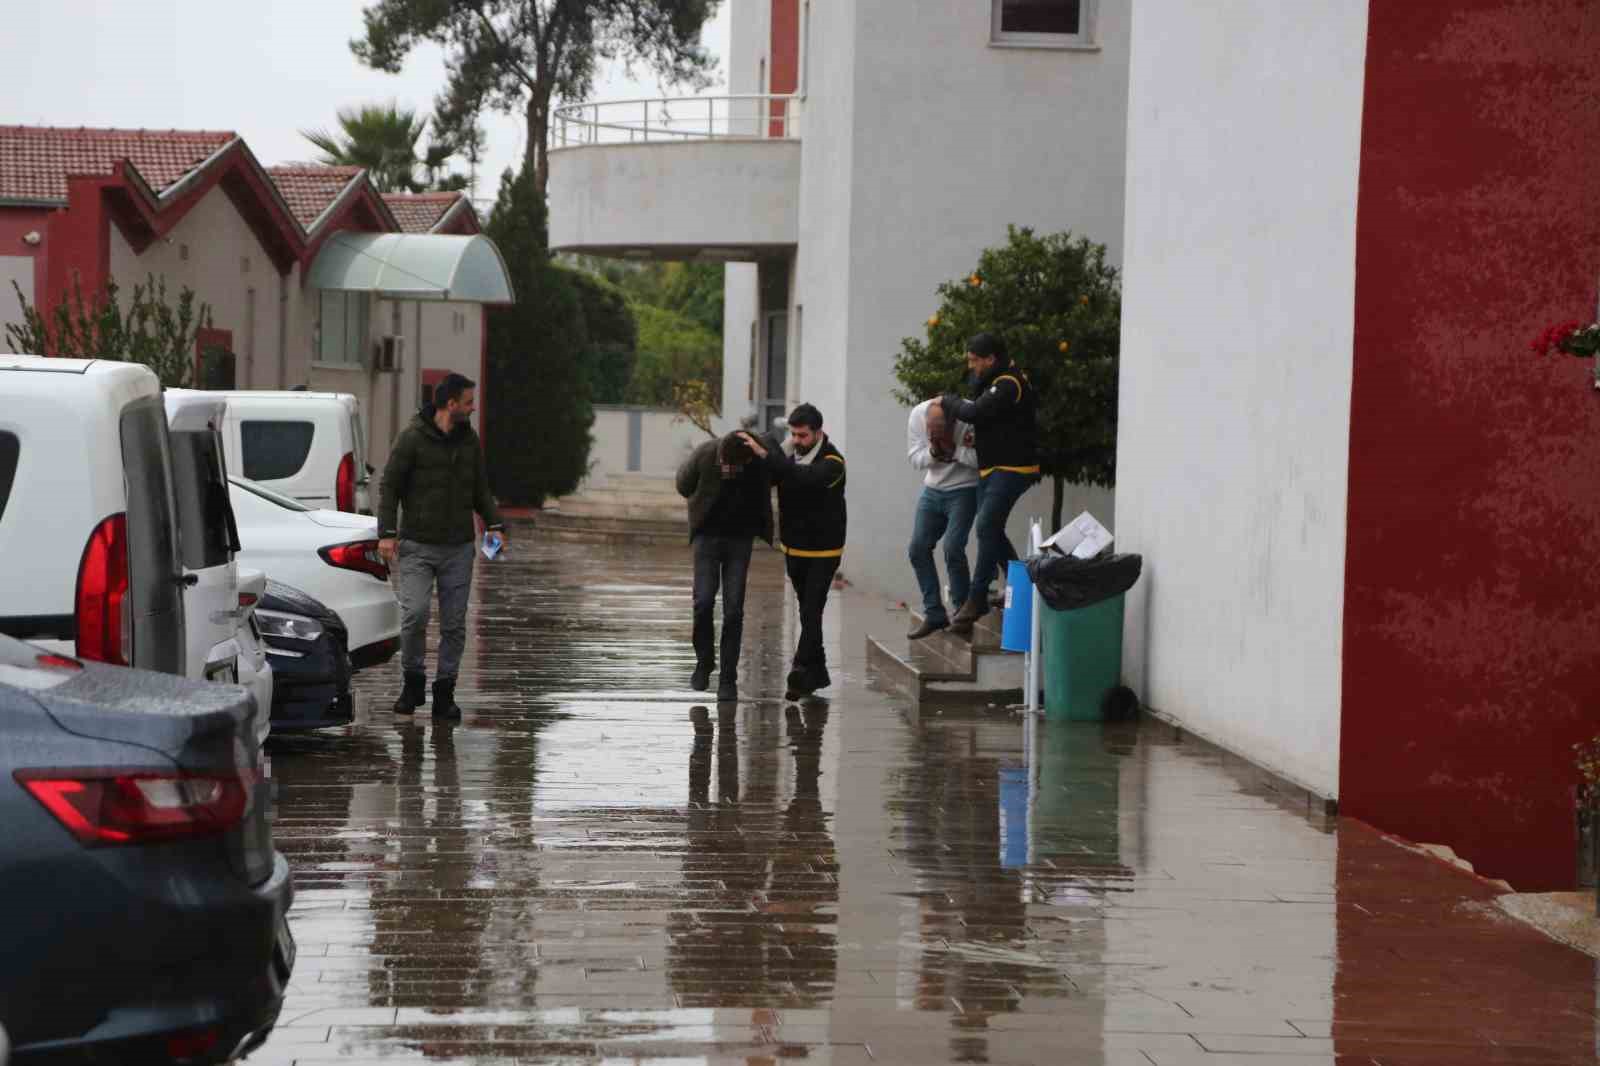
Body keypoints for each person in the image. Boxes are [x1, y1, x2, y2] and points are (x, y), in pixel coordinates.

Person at [377, 372, 506, 719]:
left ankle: (445, 692)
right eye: (468, 401)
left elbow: (480, 488)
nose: (473, 407)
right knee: (415, 614)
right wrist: (387, 532)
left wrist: (495, 525)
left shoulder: (469, 441)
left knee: (453, 624)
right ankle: (413, 682)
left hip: (458, 549)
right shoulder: (412, 439)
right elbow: (389, 487)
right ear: (451, 404)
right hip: (417, 545)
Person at [737, 403, 846, 700]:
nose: (797, 441)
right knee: (808, 612)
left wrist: (769, 456)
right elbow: (772, 477)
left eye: (803, 436)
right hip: (794, 547)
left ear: (818, 433)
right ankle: (818, 672)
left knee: (812, 609)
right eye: (794, 435)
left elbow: (804, 478)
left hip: (824, 551)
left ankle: (799, 671)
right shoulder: (785, 455)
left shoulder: (834, 463)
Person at [938, 332, 1038, 634]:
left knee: (985, 528)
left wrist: (947, 400)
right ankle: (1022, 588)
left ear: (991, 359)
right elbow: (989, 415)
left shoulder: (1009, 382)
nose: (971, 366)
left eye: (974, 361)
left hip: (1013, 468)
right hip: (993, 469)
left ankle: (976, 598)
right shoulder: (996, 381)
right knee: (992, 530)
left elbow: (976, 411)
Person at [675, 429, 775, 702]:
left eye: (737, 468)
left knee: (734, 609)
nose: (730, 471)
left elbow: (779, 470)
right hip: (707, 537)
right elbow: (682, 485)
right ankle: (704, 663)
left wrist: (762, 453)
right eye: (726, 466)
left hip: (739, 539)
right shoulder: (705, 454)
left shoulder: (756, 460)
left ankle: (728, 679)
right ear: (720, 457)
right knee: (703, 601)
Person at [905, 398, 980, 639]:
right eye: (931, 431)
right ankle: (935, 613)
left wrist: (955, 451)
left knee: (953, 547)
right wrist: (934, 452)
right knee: (917, 548)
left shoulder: (969, 416)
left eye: (941, 431)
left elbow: (982, 460)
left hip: (965, 489)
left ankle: (961, 612)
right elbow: (915, 458)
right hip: (932, 490)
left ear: (952, 423)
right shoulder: (917, 414)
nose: (935, 434)